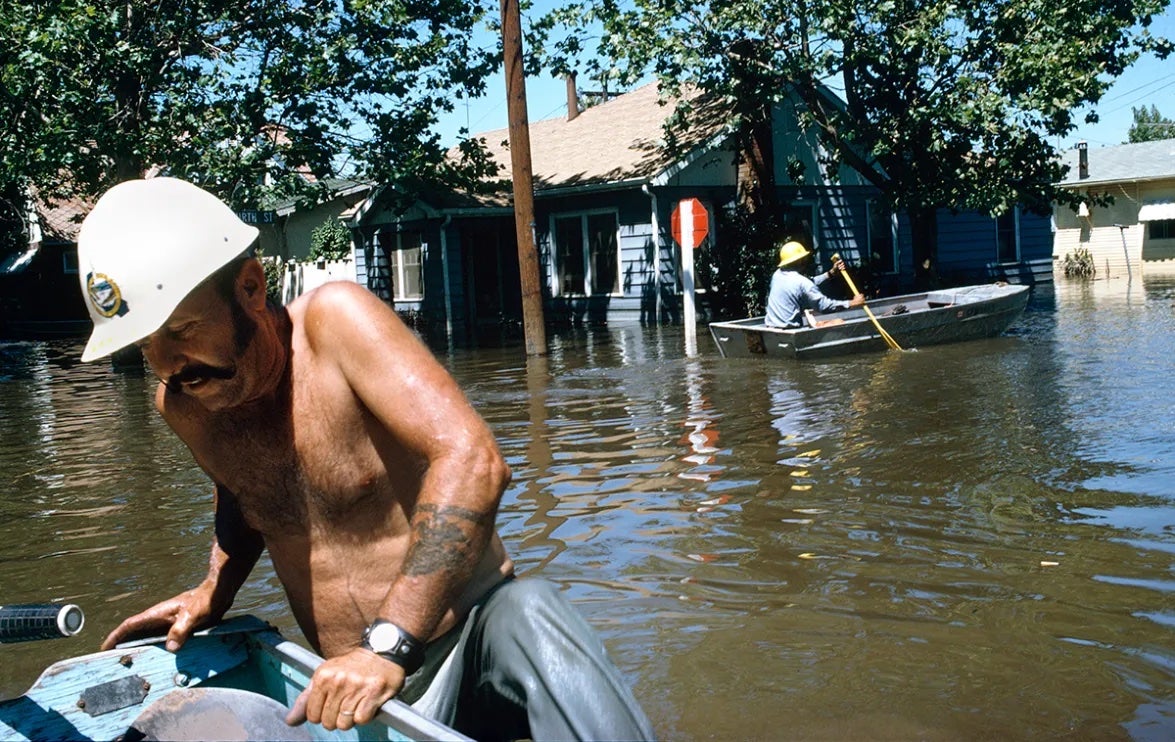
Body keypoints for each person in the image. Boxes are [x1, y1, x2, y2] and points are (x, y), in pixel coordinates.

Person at [79, 177, 654, 741]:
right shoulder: (183, 404)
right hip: (354, 696)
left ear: (251, 289)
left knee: (532, 609)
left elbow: (473, 461)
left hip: (466, 645)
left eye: (180, 330)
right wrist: (214, 589)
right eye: (144, 346)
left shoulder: (336, 324)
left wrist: (390, 644)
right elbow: (241, 491)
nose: (167, 365)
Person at [764, 240, 864, 328]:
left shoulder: (777, 275)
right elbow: (823, 306)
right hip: (790, 329)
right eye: (804, 258)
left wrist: (830, 274)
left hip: (771, 327)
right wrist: (851, 303)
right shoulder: (802, 282)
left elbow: (803, 285)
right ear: (800, 261)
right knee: (838, 322)